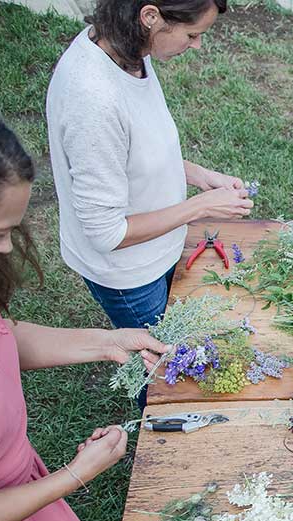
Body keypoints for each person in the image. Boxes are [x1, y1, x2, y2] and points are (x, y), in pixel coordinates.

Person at [0, 112, 171, 521]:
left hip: (19, 493)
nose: (8, 249)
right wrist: (74, 475)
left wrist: (105, 341)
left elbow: (2, 339)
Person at [46, 0, 253, 331]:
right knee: (160, 369)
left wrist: (200, 176)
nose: (198, 45)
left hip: (159, 245)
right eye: (192, 34)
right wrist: (200, 207)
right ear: (150, 16)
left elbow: (134, 151)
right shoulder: (93, 99)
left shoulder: (130, 49)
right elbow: (106, 233)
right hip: (129, 272)